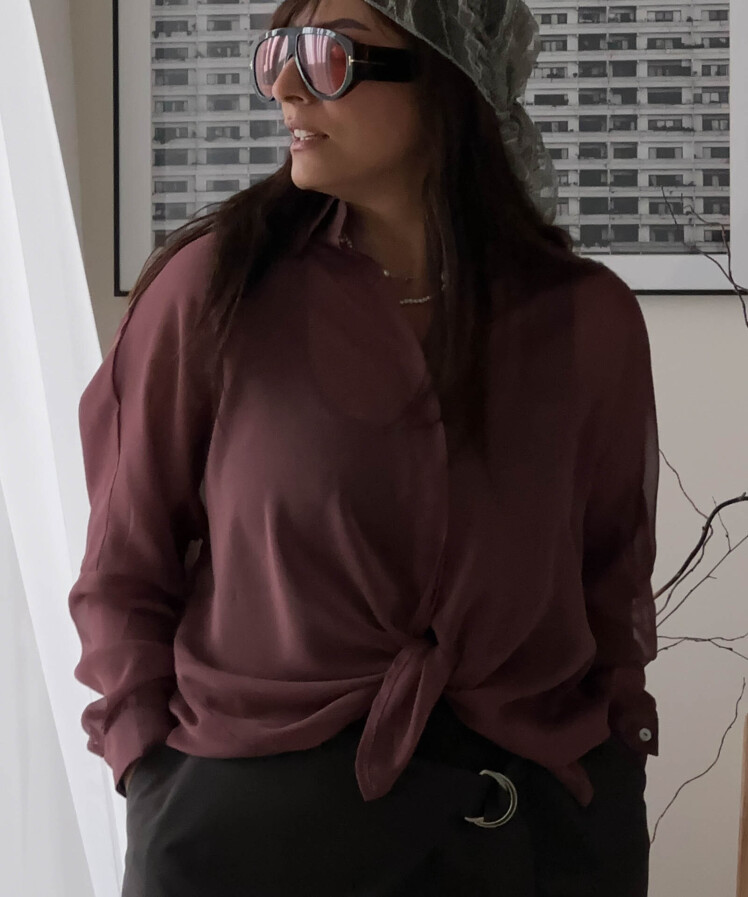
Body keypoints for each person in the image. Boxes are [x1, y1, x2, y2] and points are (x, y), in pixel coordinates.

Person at [68, 0, 661, 894]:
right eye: (279, 49)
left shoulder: (586, 321)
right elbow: (124, 563)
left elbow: (612, 583)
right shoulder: (214, 295)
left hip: (524, 832)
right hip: (247, 837)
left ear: (451, 79)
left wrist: (614, 770)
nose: (284, 84)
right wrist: (148, 772)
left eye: (330, 54)